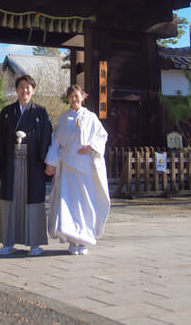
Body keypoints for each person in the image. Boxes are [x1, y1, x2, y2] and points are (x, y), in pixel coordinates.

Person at [0, 74, 52, 256]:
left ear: (33, 90)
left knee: (34, 201)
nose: (25, 90)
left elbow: (47, 138)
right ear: (16, 89)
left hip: (34, 164)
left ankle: (35, 244)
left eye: (28, 87)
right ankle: (7, 243)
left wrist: (49, 161)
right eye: (21, 87)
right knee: (10, 200)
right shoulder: (7, 112)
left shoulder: (40, 112)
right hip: (11, 163)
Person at [44, 84, 110, 255]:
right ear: (68, 99)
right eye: (71, 96)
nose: (74, 99)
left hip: (85, 167)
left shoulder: (91, 117)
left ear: (82, 96)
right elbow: (55, 141)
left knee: (85, 203)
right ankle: (72, 240)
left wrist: (91, 146)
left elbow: (102, 136)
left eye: (76, 96)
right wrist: (51, 162)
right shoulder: (63, 118)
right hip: (67, 167)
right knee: (68, 203)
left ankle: (84, 240)